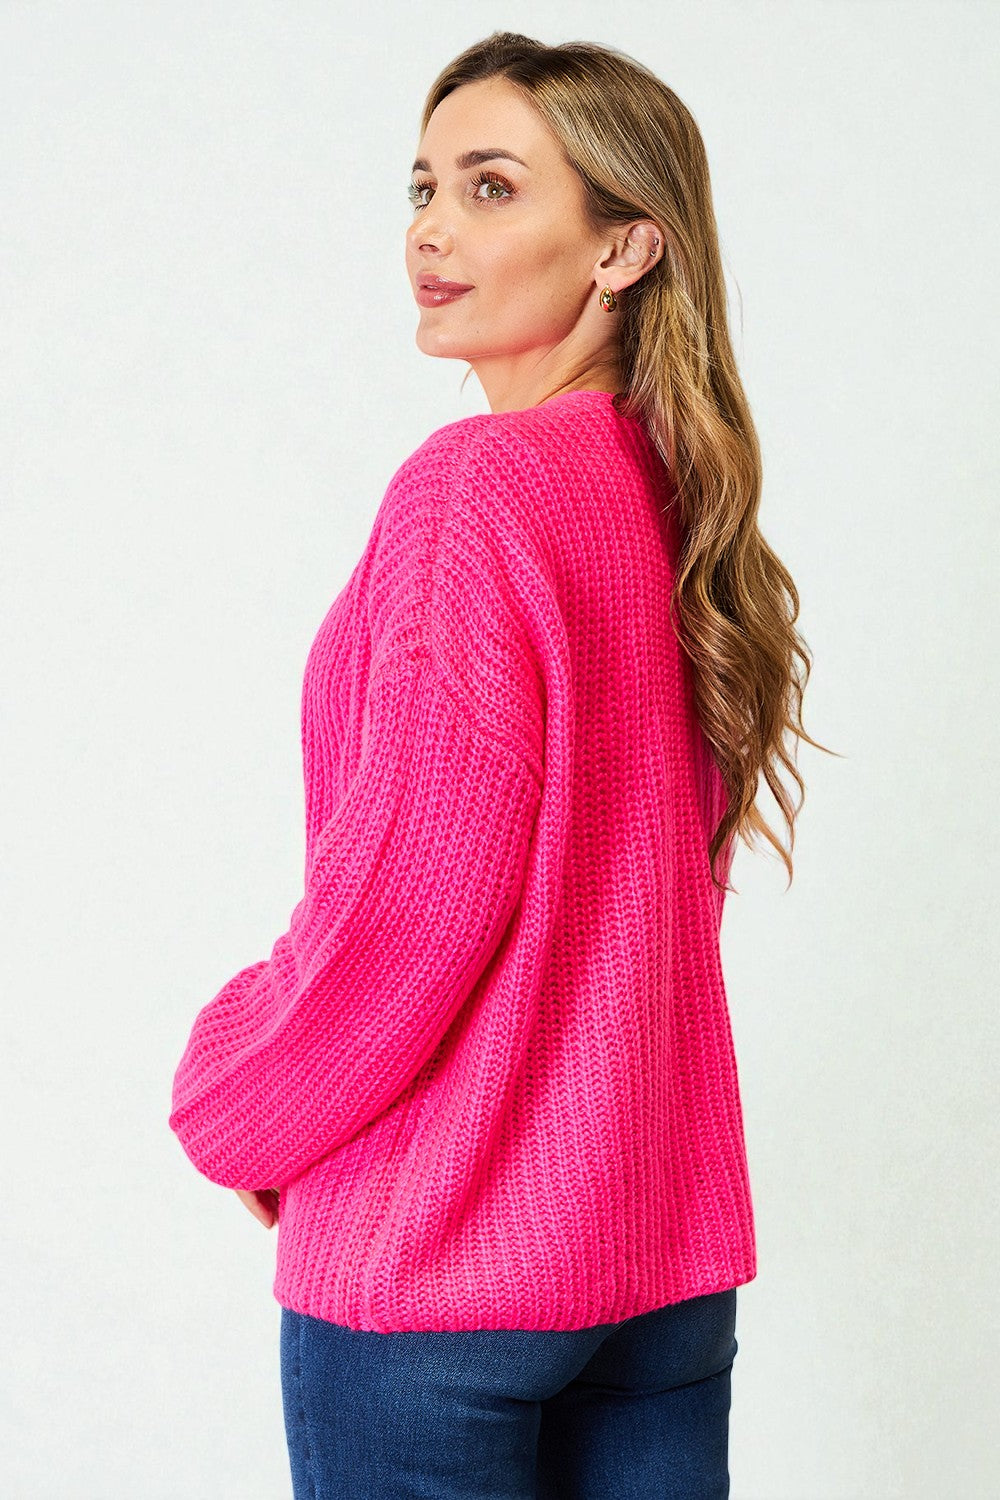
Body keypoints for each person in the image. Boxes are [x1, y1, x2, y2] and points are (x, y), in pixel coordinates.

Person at [168, 30, 826, 1500]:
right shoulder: (673, 503)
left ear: (623, 247)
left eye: (490, 186)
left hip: (440, 1267)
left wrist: (231, 1093)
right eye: (423, 187)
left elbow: (409, 912)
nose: (432, 230)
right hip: (653, 1267)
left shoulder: (478, 495)